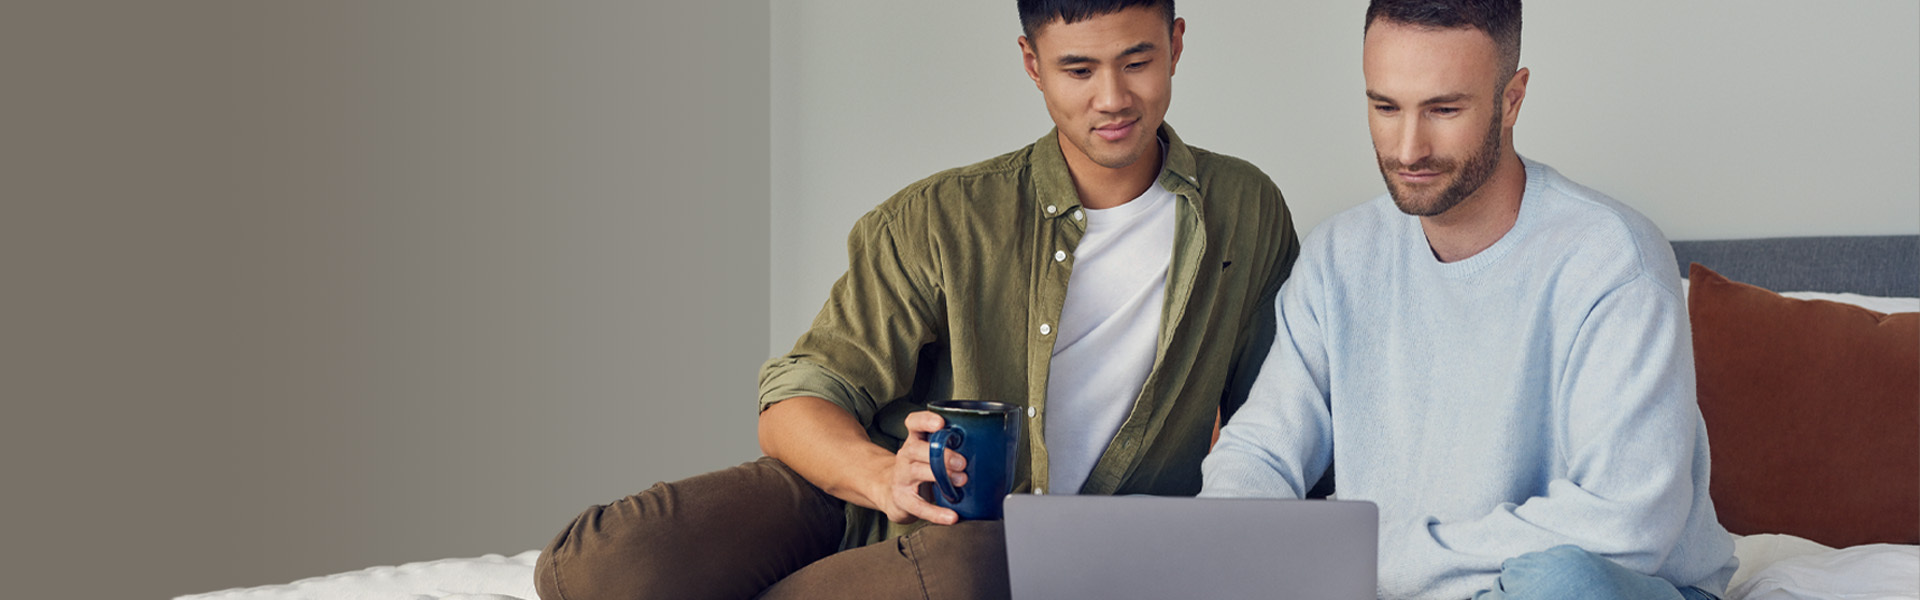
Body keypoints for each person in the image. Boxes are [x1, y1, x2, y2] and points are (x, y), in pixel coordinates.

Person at [534, 1, 1299, 598]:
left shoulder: (1244, 209)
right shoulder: (941, 218)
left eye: (1139, 61)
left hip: (1007, 554)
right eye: (1077, 70)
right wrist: (880, 476)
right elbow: (796, 399)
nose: (1113, 98)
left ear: (1177, 42)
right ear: (1032, 64)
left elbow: (1279, 418)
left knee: (970, 570)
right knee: (602, 568)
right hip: (854, 502)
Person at [1200, 1, 1739, 599]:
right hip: (1407, 587)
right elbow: (1259, 451)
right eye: (1385, 107)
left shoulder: (1614, 260)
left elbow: (1628, 526)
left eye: (1444, 109)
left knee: (1558, 582)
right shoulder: (1338, 258)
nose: (1408, 149)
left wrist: (1378, 560)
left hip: (1597, 589)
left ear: (1512, 99)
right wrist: (1235, 543)